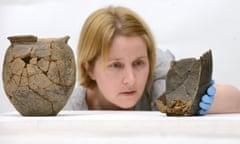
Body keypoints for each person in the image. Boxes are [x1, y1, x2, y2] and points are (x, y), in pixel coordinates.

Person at [64, 6, 240, 115]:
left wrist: (199, 98)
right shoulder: (67, 109)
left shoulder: (158, 82)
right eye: (116, 65)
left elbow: (236, 100)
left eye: (139, 63)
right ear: (89, 69)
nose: (131, 80)